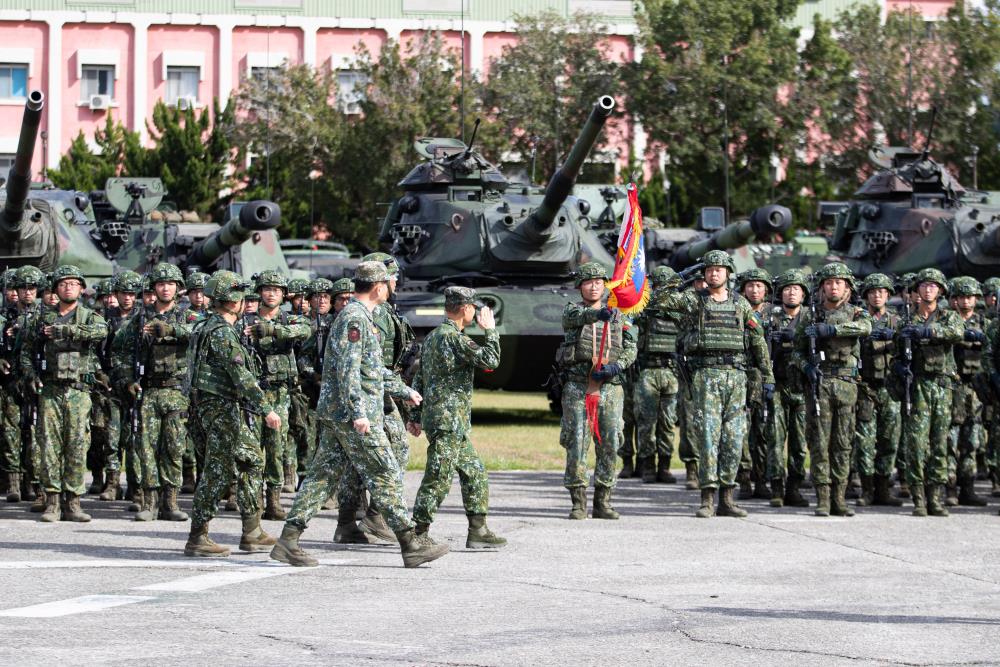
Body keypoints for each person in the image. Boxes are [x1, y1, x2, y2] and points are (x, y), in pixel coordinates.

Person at [271, 261, 446, 569]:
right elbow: (348, 370)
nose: (392, 287)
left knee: (322, 477)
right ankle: (410, 543)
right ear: (378, 286)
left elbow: (371, 367)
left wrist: (403, 390)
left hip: (341, 414)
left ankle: (288, 539)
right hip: (354, 415)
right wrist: (358, 412)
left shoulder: (360, 317)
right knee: (385, 471)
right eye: (389, 283)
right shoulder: (355, 319)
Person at [652, 250, 772, 518]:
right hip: (707, 376)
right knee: (708, 436)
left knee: (733, 438)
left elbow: (757, 341)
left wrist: (767, 376)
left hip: (736, 377)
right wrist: (680, 278)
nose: (714, 273)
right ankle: (707, 498)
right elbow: (657, 300)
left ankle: (727, 498)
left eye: (719, 269)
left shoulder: (741, 304)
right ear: (703, 274)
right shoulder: (695, 301)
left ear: (728, 273)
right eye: (709, 269)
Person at [183, 270, 280, 557]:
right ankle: (198, 537)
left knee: (251, 460)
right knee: (218, 471)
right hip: (220, 409)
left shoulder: (203, 325)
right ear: (232, 301)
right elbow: (242, 377)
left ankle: (252, 531)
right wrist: (266, 409)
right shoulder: (222, 333)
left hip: (210, 407)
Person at [408, 286, 505, 548]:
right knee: (438, 477)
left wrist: (416, 415)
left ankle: (478, 530)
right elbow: (491, 360)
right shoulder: (453, 338)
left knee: (474, 472)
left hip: (451, 421)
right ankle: (417, 533)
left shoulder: (432, 337)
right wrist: (491, 330)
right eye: (473, 307)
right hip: (447, 420)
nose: (475, 311)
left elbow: (420, 377)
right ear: (465, 308)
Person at [19, 265, 108, 523]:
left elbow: (101, 332)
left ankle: (73, 502)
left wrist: (66, 331)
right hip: (51, 389)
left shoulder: (91, 317)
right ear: (55, 289)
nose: (68, 287)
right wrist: (30, 375)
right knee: (49, 445)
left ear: (81, 288)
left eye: (73, 283)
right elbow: (25, 351)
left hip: (79, 390)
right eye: (62, 283)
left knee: (78, 445)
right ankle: (52, 501)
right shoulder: (41, 318)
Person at [556, 262, 636, 520]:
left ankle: (603, 501)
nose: (593, 286)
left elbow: (631, 347)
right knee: (577, 443)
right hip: (578, 387)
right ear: (580, 287)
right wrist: (597, 315)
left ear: (605, 286)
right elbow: (576, 319)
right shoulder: (572, 311)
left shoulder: (619, 316)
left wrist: (616, 366)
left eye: (598, 282)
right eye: (588, 282)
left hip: (610, 389)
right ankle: (578, 502)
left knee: (611, 443)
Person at [113, 263, 193, 522]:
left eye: (170, 284)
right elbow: (120, 351)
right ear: (153, 288)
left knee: (174, 447)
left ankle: (170, 503)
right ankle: (149, 502)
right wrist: (127, 379)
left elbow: (198, 335)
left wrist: (170, 330)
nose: (165, 288)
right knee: (146, 447)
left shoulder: (187, 316)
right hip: (147, 391)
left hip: (177, 391)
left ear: (178, 289)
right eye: (161, 284)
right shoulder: (139, 318)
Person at [793, 262, 871, 517]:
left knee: (843, 442)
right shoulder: (809, 315)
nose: (833, 286)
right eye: (828, 282)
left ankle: (840, 497)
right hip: (821, 383)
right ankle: (823, 498)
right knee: (819, 442)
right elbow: (797, 351)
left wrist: (833, 329)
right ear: (822, 287)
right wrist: (807, 368)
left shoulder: (857, 313)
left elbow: (866, 328)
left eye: (838, 282)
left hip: (847, 384)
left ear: (847, 287)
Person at [892, 267, 964, 517]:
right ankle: (919, 496)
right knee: (916, 443)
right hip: (919, 385)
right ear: (917, 291)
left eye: (933, 285)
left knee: (940, 443)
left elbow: (957, 333)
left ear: (941, 290)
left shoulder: (948, 316)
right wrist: (899, 365)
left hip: (942, 386)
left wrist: (927, 331)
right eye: (923, 285)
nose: (928, 289)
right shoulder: (907, 319)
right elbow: (895, 351)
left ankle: (936, 496)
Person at [854, 273, 902, 507]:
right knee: (865, 441)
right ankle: (867, 489)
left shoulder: (897, 321)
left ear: (888, 295)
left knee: (889, 440)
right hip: (866, 387)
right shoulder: (859, 318)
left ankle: (884, 488)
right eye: (873, 292)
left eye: (882, 292)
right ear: (866, 296)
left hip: (890, 387)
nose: (877, 295)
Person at [633, 266, 682, 485]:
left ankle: (665, 465)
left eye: (666, 286)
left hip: (671, 371)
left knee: (668, 423)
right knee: (646, 422)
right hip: (649, 371)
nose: (662, 290)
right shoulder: (643, 309)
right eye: (659, 286)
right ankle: (648, 466)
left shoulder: (681, 311)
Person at [766, 269, 810, 508]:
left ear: (803, 294)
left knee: (799, 442)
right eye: (787, 289)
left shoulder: (810, 318)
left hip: (802, 388)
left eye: (796, 289)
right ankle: (776, 487)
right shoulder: (770, 318)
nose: (791, 293)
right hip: (779, 385)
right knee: (775, 439)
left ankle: (794, 486)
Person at [946, 276, 988, 507]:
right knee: (950, 440)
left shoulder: (983, 324)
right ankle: (950, 487)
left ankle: (968, 488)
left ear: (975, 299)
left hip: (975, 390)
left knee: (972, 441)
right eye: (961, 297)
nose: (965, 301)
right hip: (954, 387)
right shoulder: (948, 322)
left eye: (969, 297)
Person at [737, 267, 773, 500]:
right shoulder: (736, 310)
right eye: (750, 285)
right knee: (741, 432)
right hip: (741, 377)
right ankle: (744, 481)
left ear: (766, 290)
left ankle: (762, 479)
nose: (754, 289)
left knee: (764, 432)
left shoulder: (775, 315)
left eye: (759, 285)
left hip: (766, 379)